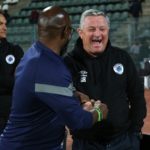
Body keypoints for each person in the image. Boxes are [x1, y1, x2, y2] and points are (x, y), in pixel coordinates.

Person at [0, 6, 108, 150]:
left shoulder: (34, 54)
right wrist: (100, 112)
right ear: (67, 32)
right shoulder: (49, 67)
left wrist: (72, 95)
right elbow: (77, 121)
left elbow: (41, 92)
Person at [64, 9, 146, 150]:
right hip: (86, 144)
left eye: (102, 29)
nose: (97, 34)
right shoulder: (69, 63)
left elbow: (137, 96)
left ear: (108, 30)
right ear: (80, 32)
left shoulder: (122, 58)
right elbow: (62, 103)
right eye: (91, 29)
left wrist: (135, 131)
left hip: (124, 142)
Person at [0, 10, 24, 134]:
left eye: (5, 24)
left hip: (11, 111)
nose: (4, 27)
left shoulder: (15, 50)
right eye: (0, 24)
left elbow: (20, 81)